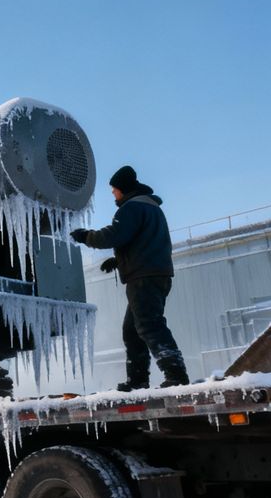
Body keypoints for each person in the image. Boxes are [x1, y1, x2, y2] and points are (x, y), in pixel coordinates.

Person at [71, 165, 191, 391]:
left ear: (123, 189)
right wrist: (119, 260)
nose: (113, 194)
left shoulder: (131, 208)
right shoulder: (150, 207)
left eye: (114, 190)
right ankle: (138, 380)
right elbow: (145, 243)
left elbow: (114, 235)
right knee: (133, 329)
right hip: (156, 273)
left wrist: (85, 236)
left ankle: (175, 374)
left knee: (148, 325)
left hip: (144, 277)